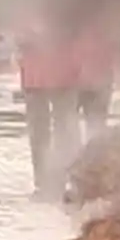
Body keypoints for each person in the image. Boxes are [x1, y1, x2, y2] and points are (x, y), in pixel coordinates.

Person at [17, 17, 80, 201]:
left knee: (65, 128)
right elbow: (19, 35)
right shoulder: (25, 3)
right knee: (39, 132)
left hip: (62, 73)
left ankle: (66, 179)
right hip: (35, 75)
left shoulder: (67, 3)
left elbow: (76, 29)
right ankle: (43, 182)